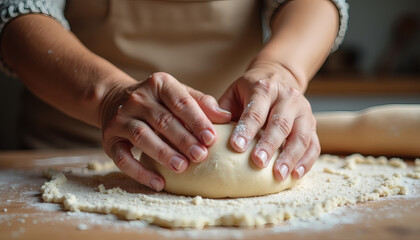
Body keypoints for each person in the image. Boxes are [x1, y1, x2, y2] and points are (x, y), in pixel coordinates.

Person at [0, 0, 348, 191]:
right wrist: (108, 96)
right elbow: (17, 13)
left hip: (244, 131)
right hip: (65, 158)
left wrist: (281, 69)